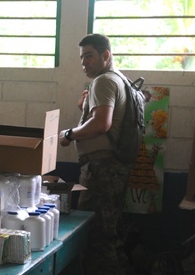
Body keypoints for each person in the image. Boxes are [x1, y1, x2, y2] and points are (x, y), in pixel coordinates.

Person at [58, 34, 135, 275]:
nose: (84, 63)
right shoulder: (121, 80)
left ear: (106, 55)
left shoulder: (103, 81)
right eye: (81, 58)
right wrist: (85, 111)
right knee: (109, 235)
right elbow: (102, 120)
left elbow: (102, 124)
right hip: (113, 168)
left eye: (89, 56)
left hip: (101, 170)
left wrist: (69, 134)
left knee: (96, 238)